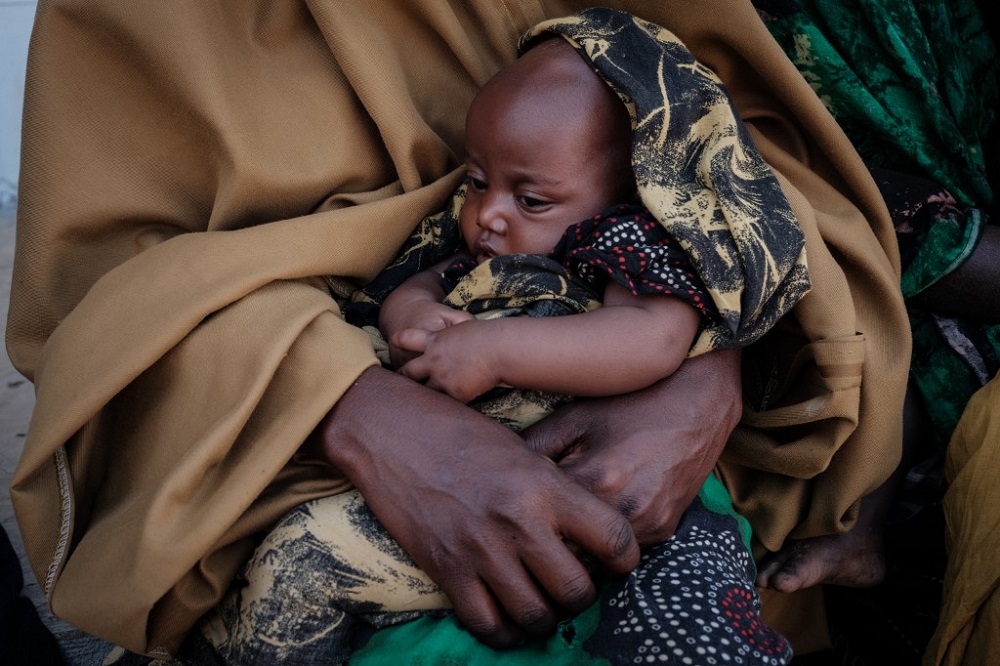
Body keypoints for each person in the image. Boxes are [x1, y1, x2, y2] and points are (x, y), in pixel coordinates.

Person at [6, 0, 911, 662]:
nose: (489, 216)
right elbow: (100, 296)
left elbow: (743, 165)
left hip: (645, 480)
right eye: (478, 185)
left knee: (677, 610)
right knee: (302, 583)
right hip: (294, 454)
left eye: (529, 196)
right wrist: (350, 409)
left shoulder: (629, 216)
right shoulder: (139, 26)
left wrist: (710, 367)